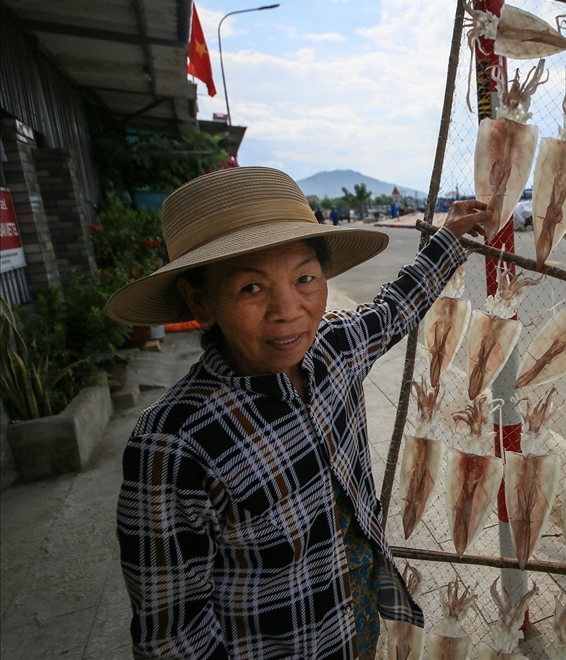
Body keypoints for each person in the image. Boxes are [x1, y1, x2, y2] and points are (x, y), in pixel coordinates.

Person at [105, 167, 487, 659]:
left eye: (305, 278)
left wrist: (449, 239)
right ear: (199, 300)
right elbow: (173, 635)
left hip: (358, 624)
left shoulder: (333, 350)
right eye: (251, 289)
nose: (288, 309)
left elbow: (395, 309)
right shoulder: (173, 443)